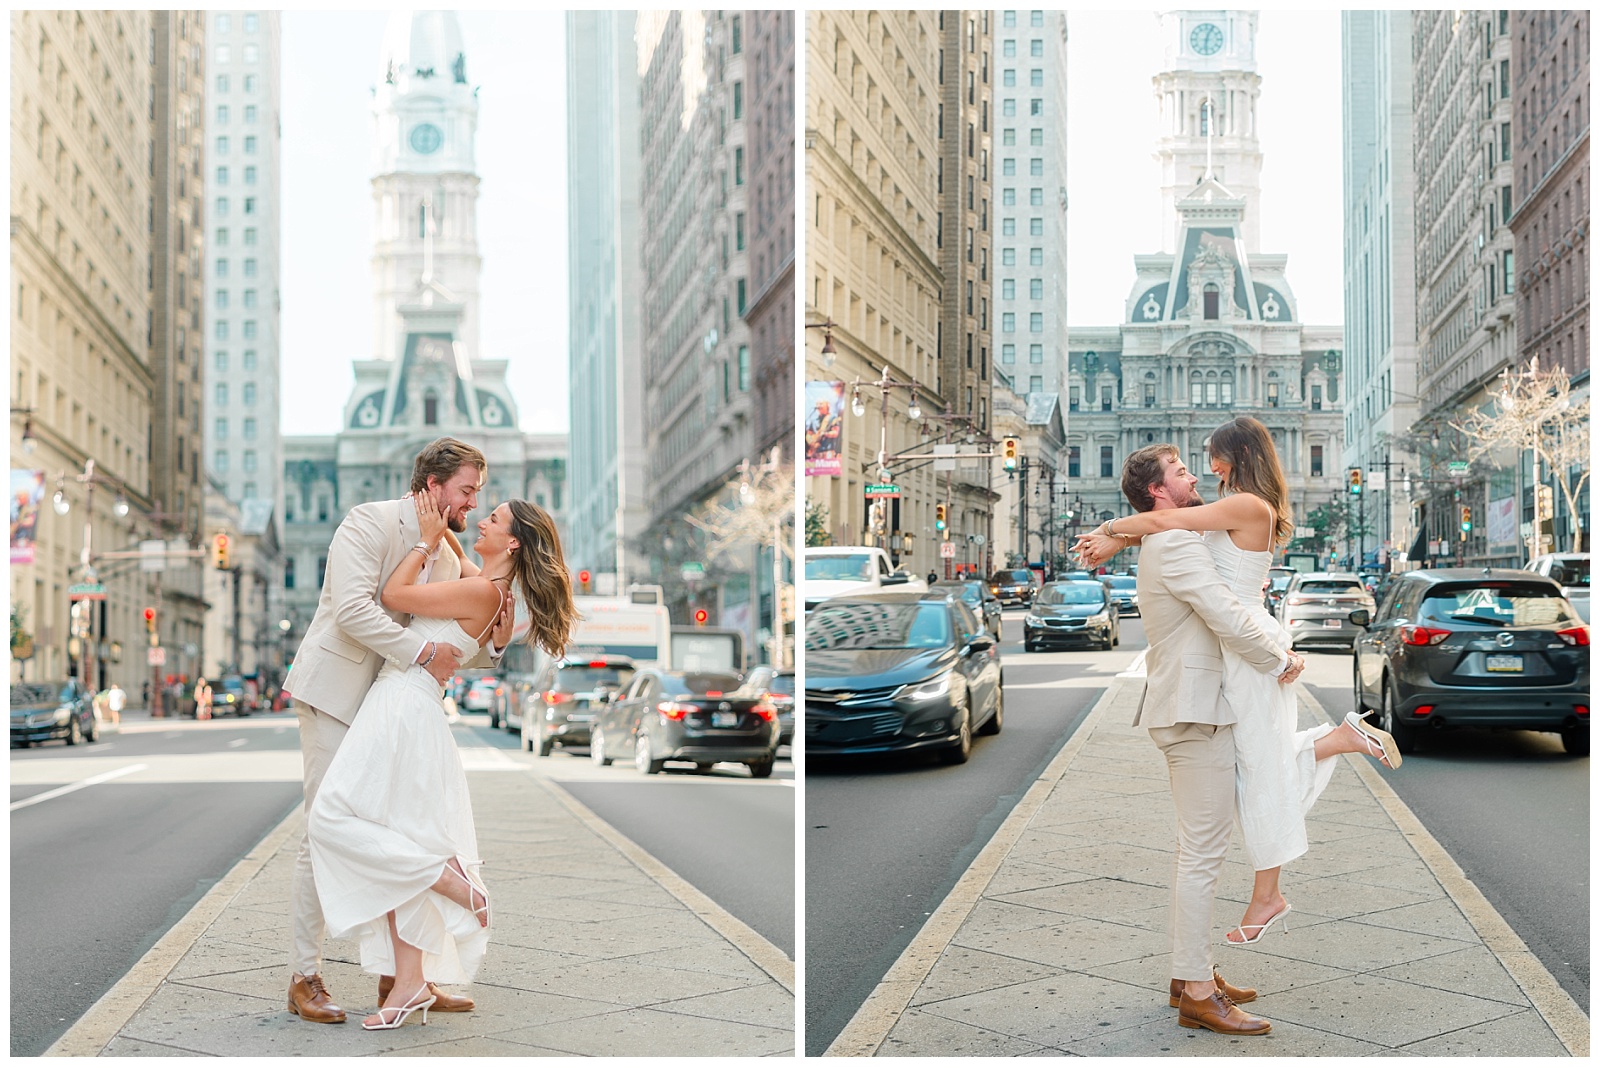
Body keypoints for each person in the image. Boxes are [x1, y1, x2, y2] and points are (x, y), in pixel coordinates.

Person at [1076, 421, 1401, 947]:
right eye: (1191, 464)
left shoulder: (1246, 506)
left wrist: (1111, 531)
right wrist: (1119, 539)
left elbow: (1171, 520)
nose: (1208, 468)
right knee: (1257, 764)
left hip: (1248, 645)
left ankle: (1267, 896)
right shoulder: (1237, 506)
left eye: (1213, 457)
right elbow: (1171, 526)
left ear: (1242, 453)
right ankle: (1342, 740)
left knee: (1260, 768)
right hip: (1237, 648)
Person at [308, 494, 576, 1030]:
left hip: (401, 704)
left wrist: (425, 539)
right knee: (396, 837)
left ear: (514, 541)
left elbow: (393, 594)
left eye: (493, 518)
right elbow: (467, 560)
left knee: (331, 817)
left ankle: (449, 879)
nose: (480, 519)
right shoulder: (491, 587)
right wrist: (436, 518)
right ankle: (408, 985)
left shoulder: (480, 589)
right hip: (410, 706)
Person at [280, 438, 512, 1025]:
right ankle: (305, 976)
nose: (472, 502)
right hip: (337, 694)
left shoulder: (450, 545)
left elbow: (466, 636)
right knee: (325, 830)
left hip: (396, 707)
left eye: (477, 494)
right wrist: (422, 650)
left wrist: (497, 645)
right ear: (432, 486)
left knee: (399, 831)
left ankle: (404, 979)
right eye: (465, 491)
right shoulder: (369, 521)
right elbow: (353, 610)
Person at [1094, 442, 1305, 1034]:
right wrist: (1278, 658)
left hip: (1198, 706)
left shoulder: (1171, 537)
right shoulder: (1174, 544)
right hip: (1194, 712)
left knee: (1201, 849)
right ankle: (1194, 991)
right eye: (1181, 472)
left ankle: (1195, 975)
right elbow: (1222, 612)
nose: (1193, 478)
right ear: (1158, 493)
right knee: (1202, 853)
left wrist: (1119, 532)